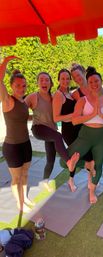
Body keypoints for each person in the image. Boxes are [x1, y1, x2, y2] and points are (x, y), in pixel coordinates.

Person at [66, 66, 103, 203]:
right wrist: (91, 115)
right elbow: (74, 120)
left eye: (96, 81)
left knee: (99, 165)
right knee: (64, 160)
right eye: (91, 82)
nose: (94, 84)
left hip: (101, 136)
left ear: (101, 81)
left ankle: (92, 191)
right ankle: (87, 165)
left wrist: (102, 115)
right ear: (87, 83)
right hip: (85, 134)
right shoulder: (82, 100)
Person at [25, 71, 79, 192]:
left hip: (51, 131)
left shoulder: (53, 97)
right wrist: (31, 117)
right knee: (58, 136)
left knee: (51, 159)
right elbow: (20, 110)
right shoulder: (34, 96)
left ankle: (44, 181)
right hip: (39, 128)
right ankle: (69, 162)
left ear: (50, 83)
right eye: (41, 80)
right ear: (37, 83)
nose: (44, 82)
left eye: (46, 80)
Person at [52, 68, 95, 192]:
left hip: (79, 128)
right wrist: (74, 115)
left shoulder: (70, 94)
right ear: (58, 80)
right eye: (62, 78)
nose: (65, 80)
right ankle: (71, 180)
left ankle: (89, 180)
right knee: (74, 156)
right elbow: (56, 118)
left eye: (67, 78)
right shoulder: (58, 95)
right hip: (69, 131)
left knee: (87, 153)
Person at [0, 56, 33, 213]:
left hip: (26, 143)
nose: (22, 88)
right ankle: (19, 204)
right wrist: (6, 61)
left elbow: (22, 118)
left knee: (25, 174)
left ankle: (25, 198)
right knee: (16, 178)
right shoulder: (8, 100)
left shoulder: (23, 102)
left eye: (24, 85)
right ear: (12, 86)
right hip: (12, 146)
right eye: (18, 85)